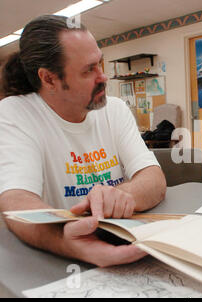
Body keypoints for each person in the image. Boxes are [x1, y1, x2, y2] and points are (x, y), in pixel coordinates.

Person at [0, 15, 167, 267]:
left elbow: (153, 178)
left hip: (123, 243)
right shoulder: (15, 114)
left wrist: (122, 194)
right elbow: (17, 203)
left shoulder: (116, 109)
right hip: (57, 263)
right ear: (49, 79)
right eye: (89, 69)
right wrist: (68, 242)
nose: (103, 77)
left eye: (100, 63)